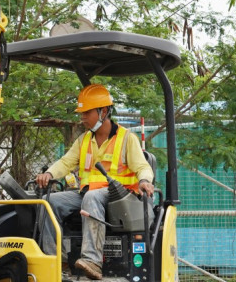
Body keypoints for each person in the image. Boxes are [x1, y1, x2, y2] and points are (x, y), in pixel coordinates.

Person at [35, 84, 154, 280]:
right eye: (81, 113)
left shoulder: (126, 139)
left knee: (91, 197)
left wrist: (144, 181)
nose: (82, 118)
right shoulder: (83, 140)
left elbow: (142, 166)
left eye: (86, 113)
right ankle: (55, 261)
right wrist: (49, 174)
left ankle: (92, 260)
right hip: (87, 193)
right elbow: (66, 162)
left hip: (119, 196)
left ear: (103, 112)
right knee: (48, 203)